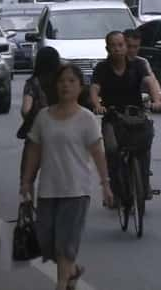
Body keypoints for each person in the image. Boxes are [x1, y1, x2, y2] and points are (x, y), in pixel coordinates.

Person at [21, 64, 113, 290]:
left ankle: (61, 284)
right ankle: (72, 271)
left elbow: (98, 153)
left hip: (76, 190)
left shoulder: (87, 119)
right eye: (62, 81)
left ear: (80, 87)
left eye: (72, 81)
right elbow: (34, 151)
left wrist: (105, 184)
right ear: (55, 85)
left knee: (66, 244)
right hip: (48, 189)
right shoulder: (43, 117)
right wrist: (26, 181)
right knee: (47, 243)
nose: (66, 85)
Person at [90, 31, 161, 203]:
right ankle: (115, 190)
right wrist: (97, 105)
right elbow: (94, 89)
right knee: (112, 150)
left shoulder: (138, 65)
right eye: (113, 46)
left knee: (145, 143)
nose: (118, 49)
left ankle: (144, 185)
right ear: (107, 48)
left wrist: (156, 100)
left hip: (135, 114)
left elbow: (150, 82)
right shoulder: (102, 68)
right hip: (112, 116)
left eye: (121, 45)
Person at [18, 46, 61, 182]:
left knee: (27, 175)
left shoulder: (32, 83)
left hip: (37, 135)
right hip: (60, 134)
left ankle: (27, 200)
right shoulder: (62, 83)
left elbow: (26, 110)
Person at [122, 29, 161, 102]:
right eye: (129, 46)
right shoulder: (112, 62)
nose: (132, 50)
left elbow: (151, 80)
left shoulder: (142, 62)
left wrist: (158, 94)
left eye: (135, 47)